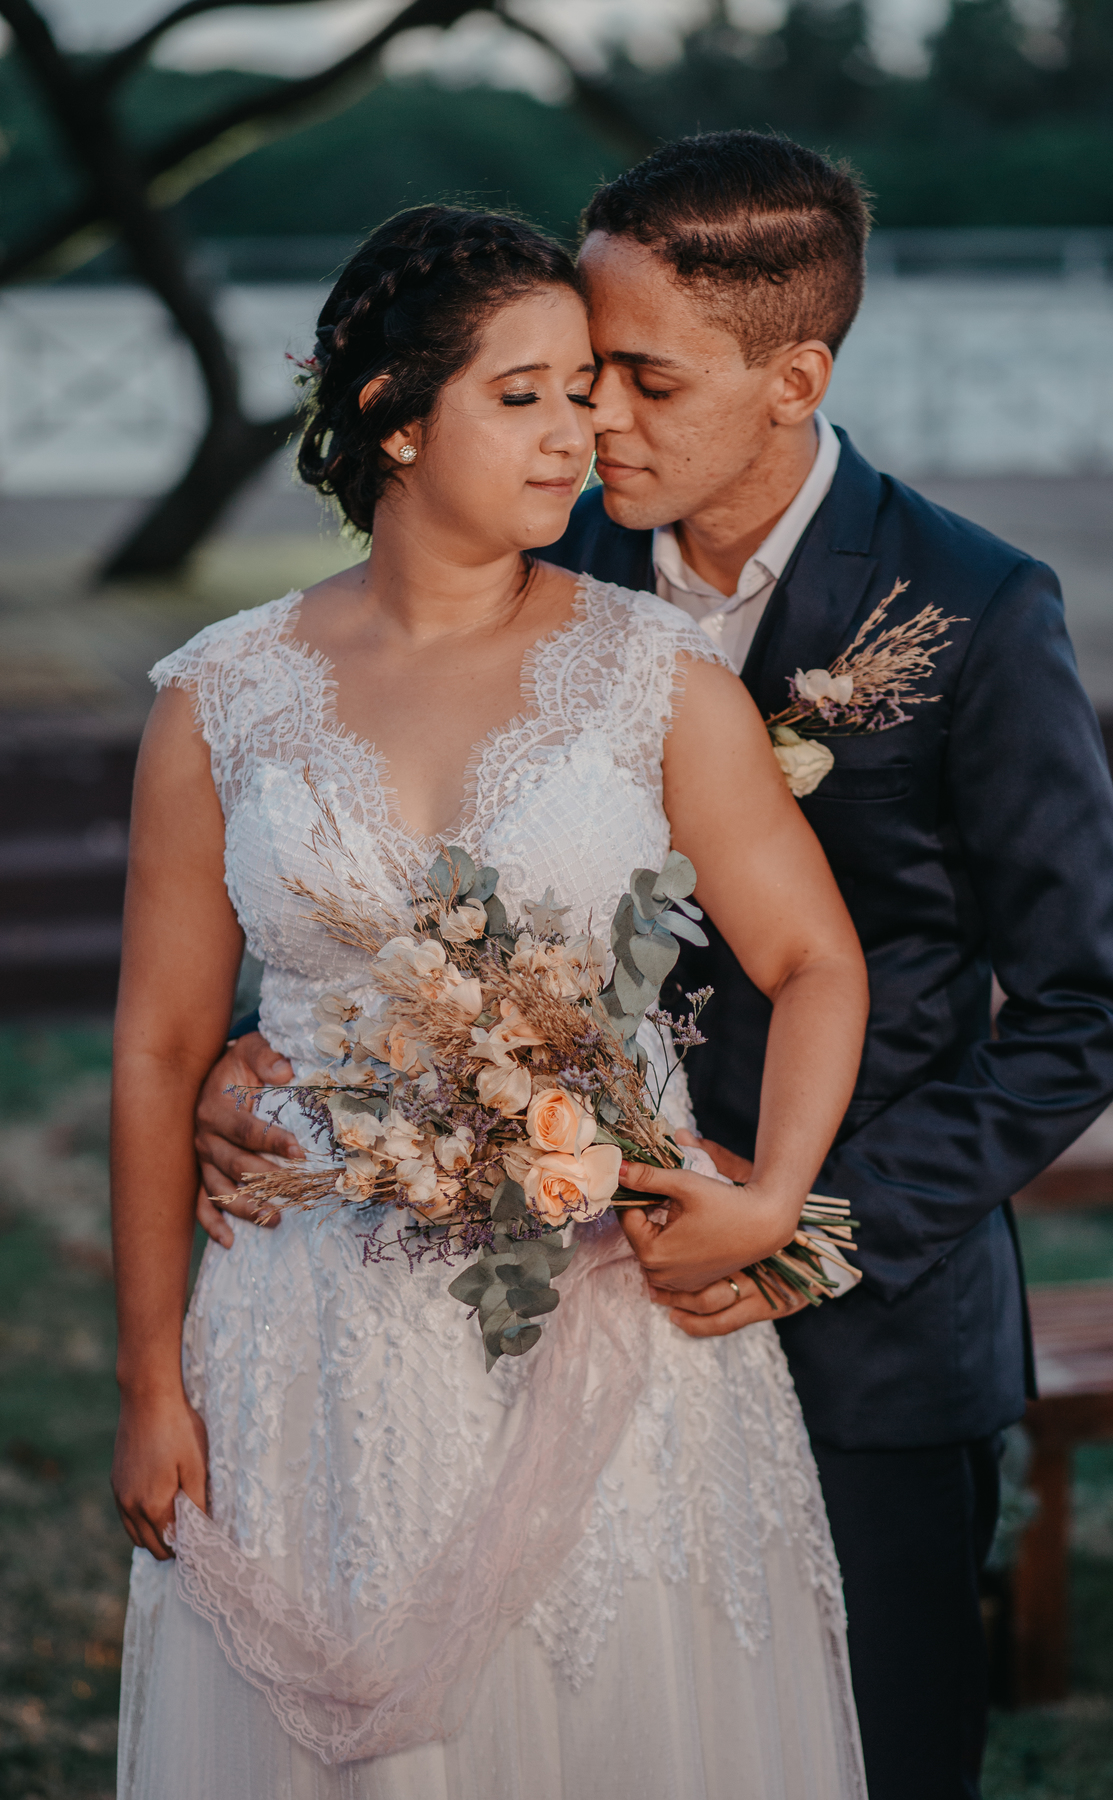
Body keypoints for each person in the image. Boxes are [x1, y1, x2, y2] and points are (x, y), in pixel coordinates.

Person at [195, 136, 1113, 1799]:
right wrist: (252, 1048)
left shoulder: (975, 609)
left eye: (643, 379)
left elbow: (1088, 1005)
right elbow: (376, 840)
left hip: (863, 1327)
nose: (596, 424)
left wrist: (811, 1221)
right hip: (542, 1307)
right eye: (578, 374)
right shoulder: (539, 561)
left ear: (795, 380)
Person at [111, 203, 872, 1799]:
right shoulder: (219, 697)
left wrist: (771, 1199)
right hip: (306, 1337)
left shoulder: (655, 673)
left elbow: (813, 961)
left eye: (586, 391)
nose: (578, 432)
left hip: (602, 1318)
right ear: (394, 416)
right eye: (524, 395)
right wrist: (152, 1380)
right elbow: (161, 1046)